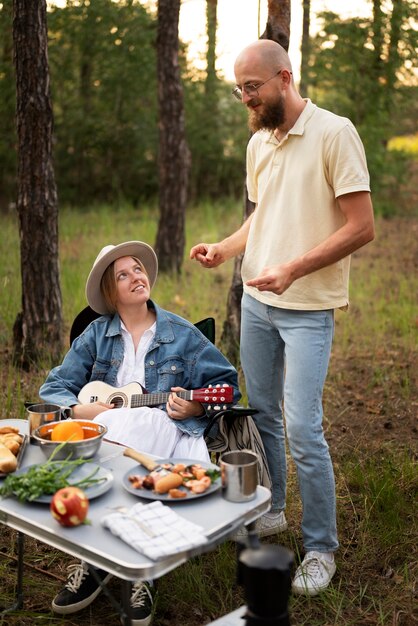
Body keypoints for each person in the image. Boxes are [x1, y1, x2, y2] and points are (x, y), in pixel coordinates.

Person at [190, 39, 375, 596]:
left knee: (302, 426)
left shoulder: (334, 132)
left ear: (284, 78)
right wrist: (226, 249)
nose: (245, 98)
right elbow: (261, 217)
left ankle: (321, 547)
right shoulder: (258, 143)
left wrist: (293, 267)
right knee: (264, 412)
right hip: (257, 303)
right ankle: (272, 509)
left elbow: (361, 226)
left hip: (307, 309)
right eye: (239, 89)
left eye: (253, 87)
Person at [40, 240, 240, 625]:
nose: (136, 277)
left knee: (133, 427)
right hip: (108, 429)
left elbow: (227, 386)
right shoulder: (97, 334)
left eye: (138, 269)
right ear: (111, 293)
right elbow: (54, 387)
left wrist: (197, 406)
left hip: (161, 429)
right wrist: (80, 408)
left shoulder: (180, 334)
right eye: (123, 274)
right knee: (99, 430)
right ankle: (97, 559)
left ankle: (138, 566)